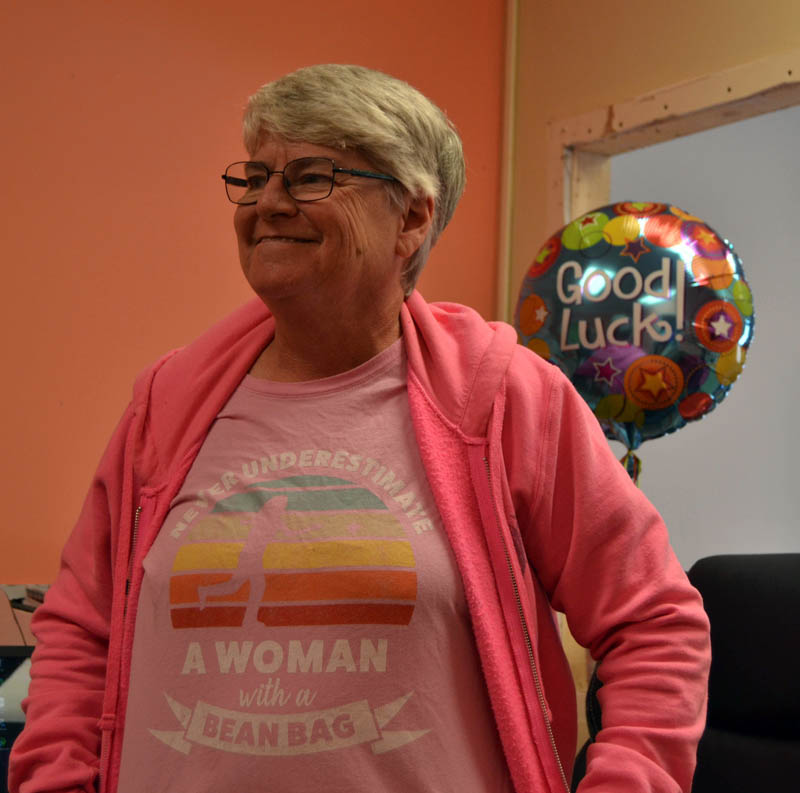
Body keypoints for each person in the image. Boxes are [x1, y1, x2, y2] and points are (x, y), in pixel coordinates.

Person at [10, 64, 710, 793]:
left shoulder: (505, 397)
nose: (268, 203)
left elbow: (655, 620)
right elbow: (80, 631)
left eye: (311, 177)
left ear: (410, 217)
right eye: (255, 177)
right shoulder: (169, 401)